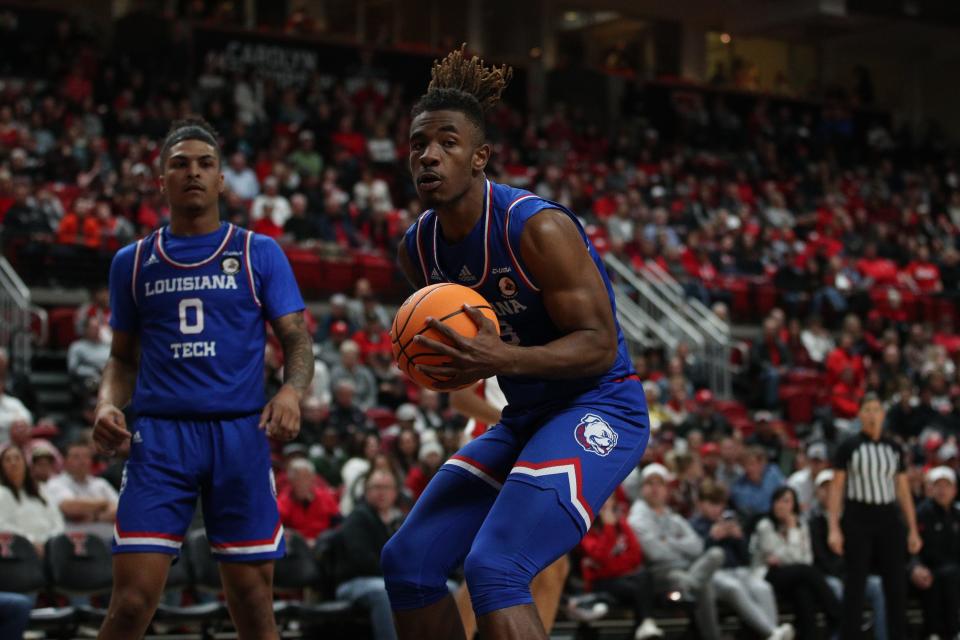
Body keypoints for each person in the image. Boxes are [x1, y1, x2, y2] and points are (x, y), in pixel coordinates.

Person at [380, 47, 649, 640]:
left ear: (480, 157)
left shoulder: (537, 227)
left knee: (495, 567)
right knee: (408, 563)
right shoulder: (417, 250)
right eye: (418, 144)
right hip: (526, 414)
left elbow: (601, 345)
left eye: (447, 142)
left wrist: (504, 359)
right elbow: (459, 353)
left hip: (601, 406)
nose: (428, 155)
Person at [90, 118, 314, 640]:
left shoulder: (260, 252)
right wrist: (106, 405)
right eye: (180, 163)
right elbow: (121, 359)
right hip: (160, 439)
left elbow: (298, 340)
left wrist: (290, 390)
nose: (193, 172)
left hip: (239, 434)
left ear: (221, 182)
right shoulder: (133, 262)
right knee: (130, 603)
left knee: (256, 604)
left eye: (205, 163)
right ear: (160, 179)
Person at [828, 393, 922, 640]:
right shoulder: (848, 446)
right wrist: (833, 527)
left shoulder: (894, 448)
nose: (871, 415)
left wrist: (912, 528)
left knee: (896, 585)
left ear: (883, 415)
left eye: (876, 410)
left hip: (889, 518)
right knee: (855, 584)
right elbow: (836, 489)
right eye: (867, 410)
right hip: (857, 517)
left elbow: (903, 490)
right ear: (859, 415)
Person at [629, 464, 724, 640]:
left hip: (686, 570)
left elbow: (698, 546)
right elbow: (655, 554)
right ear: (642, 488)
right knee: (703, 585)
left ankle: (690, 585)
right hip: (657, 575)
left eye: (660, 483)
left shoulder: (673, 516)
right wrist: (681, 547)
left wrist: (667, 541)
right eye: (650, 483)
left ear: (666, 489)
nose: (655, 488)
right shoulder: (636, 517)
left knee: (716, 553)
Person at [690, 482, 793, 640]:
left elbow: (746, 559)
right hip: (714, 575)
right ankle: (772, 632)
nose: (716, 509)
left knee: (762, 587)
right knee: (734, 588)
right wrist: (711, 538)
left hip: (740, 571)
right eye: (711, 503)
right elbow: (695, 557)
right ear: (701, 503)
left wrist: (739, 538)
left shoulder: (730, 522)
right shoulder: (695, 525)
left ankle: (773, 634)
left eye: (720, 504)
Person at [751, 486, 841, 640]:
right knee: (805, 572)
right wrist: (792, 531)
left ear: (794, 505)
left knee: (803, 592)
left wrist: (787, 551)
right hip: (768, 575)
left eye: (787, 501)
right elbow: (781, 558)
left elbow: (805, 559)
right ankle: (837, 615)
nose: (781, 505)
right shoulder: (765, 526)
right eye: (778, 500)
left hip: (796, 577)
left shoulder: (802, 525)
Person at [580, 496, 663, 640]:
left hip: (622, 578)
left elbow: (636, 556)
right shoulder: (586, 531)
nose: (606, 505)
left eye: (609, 500)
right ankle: (644, 624)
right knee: (638, 588)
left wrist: (611, 565)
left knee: (645, 575)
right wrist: (609, 527)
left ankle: (645, 624)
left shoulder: (623, 525)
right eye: (603, 501)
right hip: (600, 583)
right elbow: (600, 558)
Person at [336, 469, 406, 640]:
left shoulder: (400, 520)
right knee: (383, 591)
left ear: (395, 492)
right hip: (353, 581)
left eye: (387, 487)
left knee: (445, 587)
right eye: (376, 487)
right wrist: (399, 577)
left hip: (388, 579)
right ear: (367, 491)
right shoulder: (357, 518)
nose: (382, 492)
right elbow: (362, 560)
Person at [910, 466, 960, 639]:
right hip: (928, 570)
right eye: (937, 485)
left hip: (953, 571)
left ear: (954, 490)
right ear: (929, 488)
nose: (942, 490)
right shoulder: (920, 513)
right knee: (935, 578)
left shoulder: (957, 514)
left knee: (950, 576)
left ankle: (952, 632)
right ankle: (935, 633)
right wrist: (915, 567)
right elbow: (910, 547)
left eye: (946, 485)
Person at [45, 440, 118, 542]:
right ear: (65, 461)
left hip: (107, 536)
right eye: (76, 457)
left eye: (86, 457)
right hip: (73, 539)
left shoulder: (101, 483)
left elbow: (119, 510)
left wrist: (95, 517)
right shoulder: (55, 483)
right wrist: (104, 503)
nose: (82, 461)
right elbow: (70, 507)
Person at [0, 444, 64, 554]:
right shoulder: (2, 493)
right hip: (18, 549)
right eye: (8, 459)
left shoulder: (41, 491)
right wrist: (31, 542)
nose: (13, 462)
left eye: (17, 458)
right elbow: (3, 525)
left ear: (25, 463)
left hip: (50, 546)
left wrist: (50, 543)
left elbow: (58, 522)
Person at [277, 458, 340, 545]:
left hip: (324, 544)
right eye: (297, 478)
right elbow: (280, 530)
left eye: (306, 477)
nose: (302, 482)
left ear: (313, 478)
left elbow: (338, 524)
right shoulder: (283, 501)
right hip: (296, 548)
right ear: (290, 481)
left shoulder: (325, 497)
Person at [730, 446, 785, 519]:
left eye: (755, 463)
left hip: (780, 515)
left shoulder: (773, 472)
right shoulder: (738, 488)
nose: (750, 468)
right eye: (747, 464)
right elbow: (749, 513)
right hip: (756, 521)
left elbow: (785, 493)